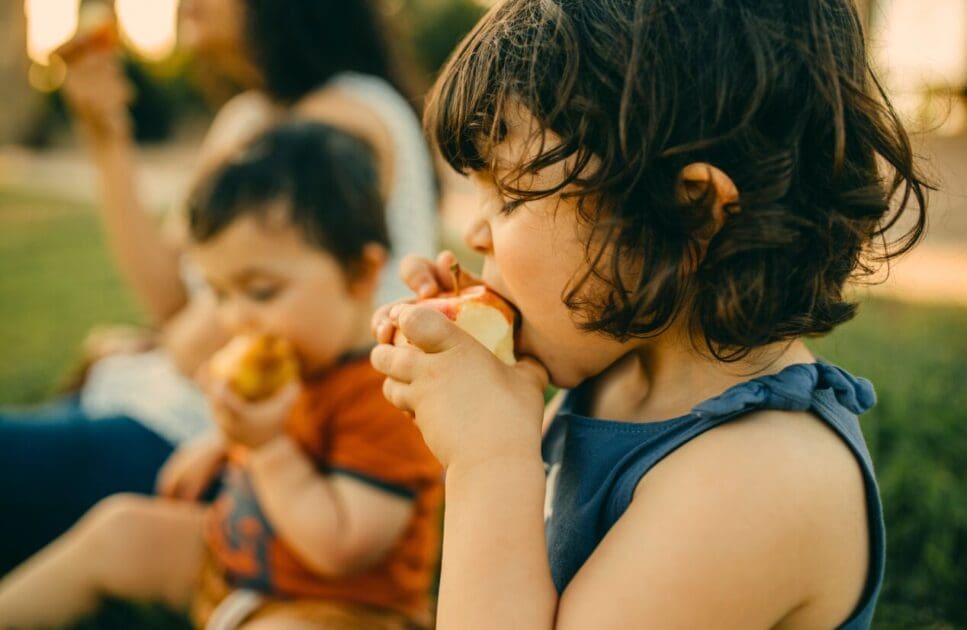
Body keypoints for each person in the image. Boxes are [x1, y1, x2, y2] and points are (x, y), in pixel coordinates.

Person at [369, 1, 929, 628]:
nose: (473, 231)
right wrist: (489, 367)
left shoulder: (761, 479)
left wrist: (488, 460)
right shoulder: (618, 369)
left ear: (688, 211)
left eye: (510, 195)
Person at [0, 0, 437, 574]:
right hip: (176, 414)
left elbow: (191, 346)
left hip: (222, 444)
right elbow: (171, 297)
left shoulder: (340, 122)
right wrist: (107, 138)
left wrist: (164, 343)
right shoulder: (247, 117)